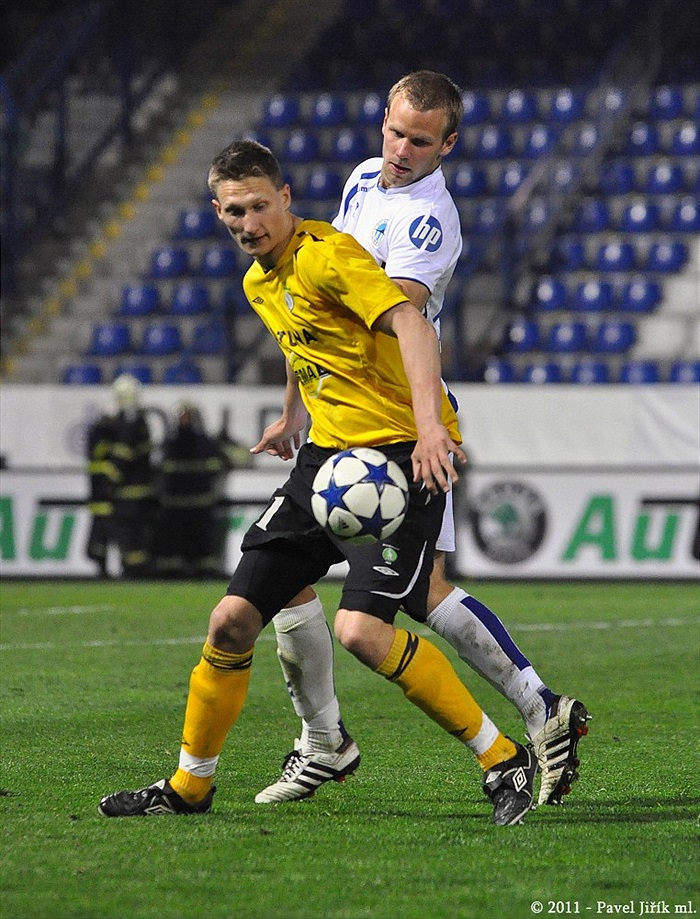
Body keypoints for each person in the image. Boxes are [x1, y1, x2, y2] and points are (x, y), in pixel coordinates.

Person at [98, 139, 537, 826]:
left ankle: (502, 757)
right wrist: (288, 416)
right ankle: (190, 784)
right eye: (235, 211)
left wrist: (428, 429)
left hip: (398, 456)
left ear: (286, 199)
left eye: (261, 206)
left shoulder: (328, 255)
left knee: (362, 630)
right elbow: (308, 350)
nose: (250, 222)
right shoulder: (257, 283)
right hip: (328, 461)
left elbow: (413, 325)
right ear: (219, 213)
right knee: (232, 618)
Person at [255, 71, 589, 810]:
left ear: (450, 144)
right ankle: (540, 709)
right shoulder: (360, 182)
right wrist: (294, 410)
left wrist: (428, 426)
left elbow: (382, 319)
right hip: (346, 419)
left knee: (365, 616)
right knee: (421, 591)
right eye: (396, 131)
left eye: (421, 140)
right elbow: (312, 314)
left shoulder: (429, 223)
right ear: (383, 120)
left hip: (399, 428)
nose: (402, 150)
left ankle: (359, 743)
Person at [156, 402, 227, 579]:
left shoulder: (205, 443)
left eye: (187, 416)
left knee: (202, 542)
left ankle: (204, 572)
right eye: (181, 417)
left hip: (200, 504)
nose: (184, 420)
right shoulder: (170, 443)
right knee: (174, 542)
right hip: (175, 505)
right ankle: (173, 573)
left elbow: (218, 465)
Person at [109, 373, 156, 577]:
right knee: (139, 538)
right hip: (142, 492)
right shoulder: (142, 423)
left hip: (127, 496)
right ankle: (138, 570)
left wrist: (108, 481)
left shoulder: (129, 426)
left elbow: (122, 458)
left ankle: (132, 572)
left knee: (129, 539)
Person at [85, 411, 118, 577]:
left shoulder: (95, 443)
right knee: (101, 538)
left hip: (101, 500)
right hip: (105, 500)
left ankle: (102, 565)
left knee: (101, 539)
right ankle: (101, 566)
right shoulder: (104, 446)